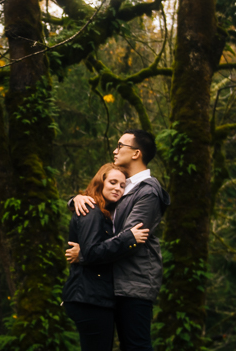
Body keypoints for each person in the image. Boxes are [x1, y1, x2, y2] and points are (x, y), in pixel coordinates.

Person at [67, 129, 171, 351]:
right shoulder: (126, 187)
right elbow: (101, 209)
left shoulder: (148, 191)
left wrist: (84, 254)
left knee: (136, 345)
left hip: (136, 280)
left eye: (120, 146)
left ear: (136, 153)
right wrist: (76, 199)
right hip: (116, 282)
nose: (115, 150)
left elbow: (130, 237)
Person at [62, 163, 150, 351]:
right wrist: (128, 239)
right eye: (112, 182)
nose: (117, 188)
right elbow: (93, 252)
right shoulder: (91, 209)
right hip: (89, 298)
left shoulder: (103, 211)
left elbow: (89, 251)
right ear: (100, 182)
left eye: (121, 185)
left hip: (93, 297)